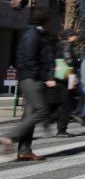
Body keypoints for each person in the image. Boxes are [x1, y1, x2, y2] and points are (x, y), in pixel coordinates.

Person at [0, 8, 55, 161]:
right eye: (50, 19)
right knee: (42, 111)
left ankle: (24, 150)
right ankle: (8, 136)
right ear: (45, 19)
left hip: (32, 77)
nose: (51, 22)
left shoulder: (38, 33)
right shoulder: (33, 34)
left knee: (30, 115)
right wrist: (42, 76)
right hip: (31, 79)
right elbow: (30, 59)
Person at [46, 28, 78, 137]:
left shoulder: (57, 45)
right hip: (67, 76)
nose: (76, 38)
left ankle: (50, 121)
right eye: (75, 35)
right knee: (67, 105)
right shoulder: (67, 45)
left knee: (60, 103)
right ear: (70, 36)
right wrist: (76, 62)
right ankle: (61, 130)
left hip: (58, 77)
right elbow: (69, 61)